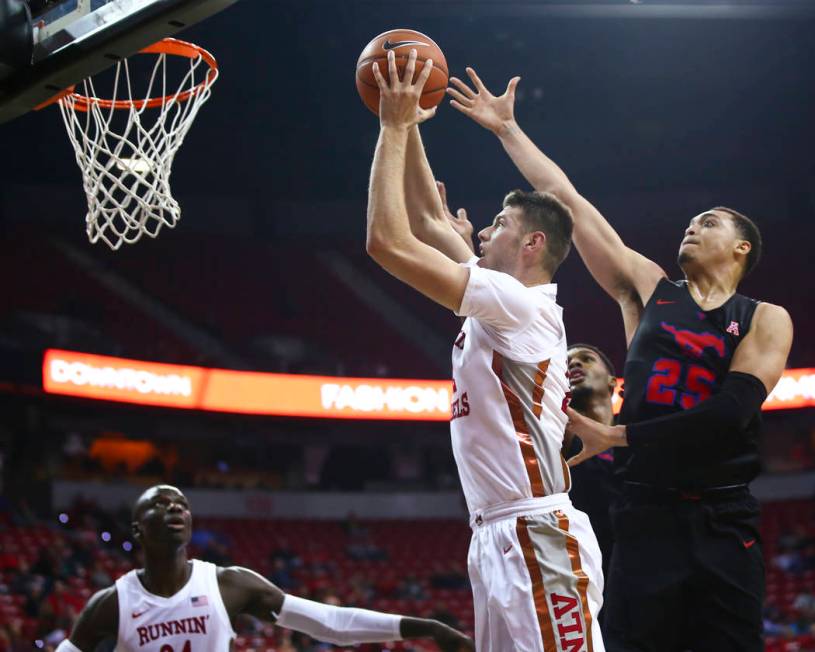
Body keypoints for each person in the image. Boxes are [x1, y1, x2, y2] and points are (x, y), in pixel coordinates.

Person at [447, 67, 793, 651]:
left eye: (707, 223)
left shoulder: (764, 316)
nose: (691, 227)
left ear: (741, 248)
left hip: (721, 515)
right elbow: (569, 204)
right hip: (646, 511)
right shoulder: (649, 289)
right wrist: (507, 130)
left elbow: (732, 412)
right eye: (689, 221)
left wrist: (619, 436)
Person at [366, 49, 604, 652]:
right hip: (499, 533)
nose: (484, 229)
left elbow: (388, 242)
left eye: (500, 222)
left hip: (535, 531)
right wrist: (414, 118)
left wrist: (393, 126)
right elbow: (426, 217)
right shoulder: (501, 299)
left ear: (532, 244)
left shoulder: (518, 305)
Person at [55, 485, 472, 652]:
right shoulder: (110, 604)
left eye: (181, 504)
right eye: (160, 505)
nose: (175, 509)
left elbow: (330, 622)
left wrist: (428, 627)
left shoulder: (229, 585)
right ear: (137, 529)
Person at [564, 344, 619, 587]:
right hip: (578, 581)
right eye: (567, 363)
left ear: (611, 381)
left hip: (639, 576)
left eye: (586, 359)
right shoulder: (554, 440)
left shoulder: (639, 436)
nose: (575, 364)